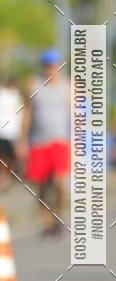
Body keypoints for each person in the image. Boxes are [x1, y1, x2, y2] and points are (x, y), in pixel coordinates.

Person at [22, 49, 70, 236]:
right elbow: (26, 113)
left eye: (52, 65)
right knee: (40, 185)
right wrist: (21, 141)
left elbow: (77, 117)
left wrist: (77, 141)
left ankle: (58, 216)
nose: (49, 69)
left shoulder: (68, 87)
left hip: (59, 142)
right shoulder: (33, 85)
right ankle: (45, 223)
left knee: (59, 182)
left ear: (58, 66)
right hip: (38, 142)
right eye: (46, 65)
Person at [0, 77, 23, 192]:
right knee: (3, 157)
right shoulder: (2, 94)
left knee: (10, 158)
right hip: (3, 133)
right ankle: (3, 179)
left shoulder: (17, 96)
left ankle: (6, 178)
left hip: (13, 134)